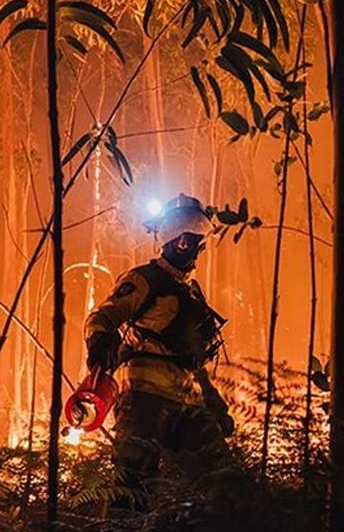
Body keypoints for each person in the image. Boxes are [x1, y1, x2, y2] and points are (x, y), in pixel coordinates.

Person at [83, 193, 235, 512]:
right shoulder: (144, 280)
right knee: (132, 489)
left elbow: (192, 357)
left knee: (222, 480)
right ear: (181, 241)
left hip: (187, 402)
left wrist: (212, 400)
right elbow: (103, 316)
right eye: (197, 243)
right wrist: (100, 343)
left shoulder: (191, 292)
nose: (199, 250)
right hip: (144, 402)